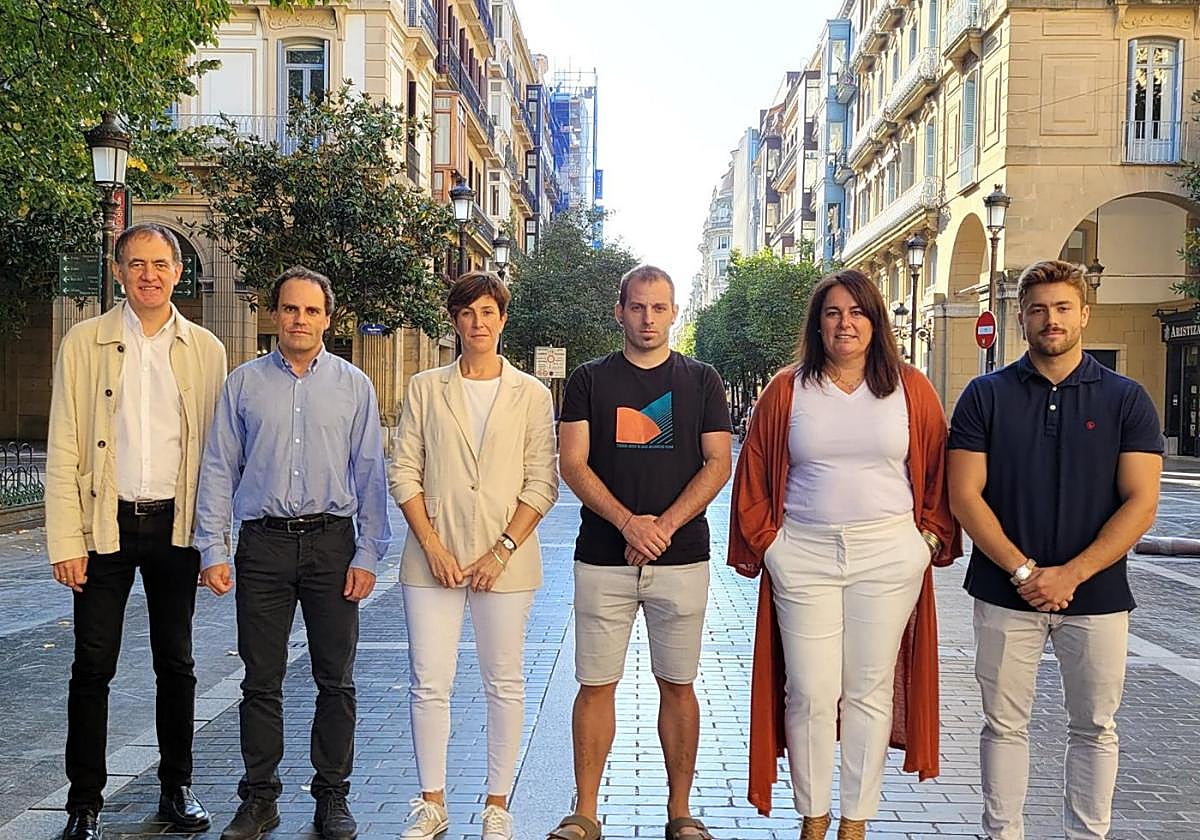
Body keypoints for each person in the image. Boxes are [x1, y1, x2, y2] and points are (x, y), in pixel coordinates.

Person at [728, 268, 960, 840]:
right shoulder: (787, 389)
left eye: (857, 312)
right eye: (833, 312)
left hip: (888, 554)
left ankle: (854, 819)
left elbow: (938, 472)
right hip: (803, 551)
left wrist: (923, 543)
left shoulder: (911, 389)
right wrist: (773, 549)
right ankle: (814, 816)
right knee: (809, 688)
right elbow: (753, 473)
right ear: (818, 323)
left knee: (869, 687)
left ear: (876, 321)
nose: (845, 323)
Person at [948, 259, 1163, 840]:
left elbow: (1141, 503)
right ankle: (1002, 834)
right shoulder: (984, 396)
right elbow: (964, 495)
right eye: (1039, 309)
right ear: (1021, 318)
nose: (1052, 320)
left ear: (1084, 314)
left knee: (1095, 726)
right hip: (1002, 588)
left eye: (1064, 308)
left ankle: (1087, 836)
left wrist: (1071, 573)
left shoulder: (1126, 399)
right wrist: (1023, 570)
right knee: (1003, 726)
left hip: (1096, 594)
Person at [194, 266, 391, 840]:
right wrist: (213, 547)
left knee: (337, 680)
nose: (300, 319)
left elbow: (371, 474)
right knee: (261, 680)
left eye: (311, 310)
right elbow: (217, 469)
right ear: (274, 314)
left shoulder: (355, 385)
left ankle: (332, 796)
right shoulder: (244, 385)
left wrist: (369, 554)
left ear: (328, 318)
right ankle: (260, 799)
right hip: (264, 546)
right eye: (290, 308)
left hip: (334, 544)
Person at [44, 222, 227, 840]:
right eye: (137, 264)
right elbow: (65, 441)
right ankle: (83, 803)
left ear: (180, 272)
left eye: (161, 264)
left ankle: (176, 787)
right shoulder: (84, 340)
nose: (150, 274)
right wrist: (66, 540)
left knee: (176, 661)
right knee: (92, 664)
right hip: (106, 526)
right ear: (118, 271)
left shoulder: (206, 348)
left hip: (176, 523)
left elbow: (216, 454)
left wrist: (214, 541)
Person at [546, 265, 732, 840]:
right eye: (637, 307)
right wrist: (628, 523)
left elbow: (718, 463)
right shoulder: (589, 380)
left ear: (675, 312)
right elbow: (572, 462)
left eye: (659, 308)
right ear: (619, 310)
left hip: (681, 560)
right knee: (595, 683)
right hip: (603, 557)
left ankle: (680, 813)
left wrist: (664, 526)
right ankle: (586, 812)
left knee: (678, 684)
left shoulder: (702, 380)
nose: (648, 319)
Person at [388, 271, 559, 840]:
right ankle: (431, 802)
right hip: (431, 558)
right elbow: (404, 470)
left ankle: (497, 804)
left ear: (502, 319)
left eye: (488, 312)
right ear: (455, 321)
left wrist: (502, 549)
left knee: (504, 681)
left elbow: (542, 482)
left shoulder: (531, 393)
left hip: (504, 560)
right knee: (429, 681)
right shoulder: (424, 387)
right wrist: (432, 545)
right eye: (467, 313)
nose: (478, 323)